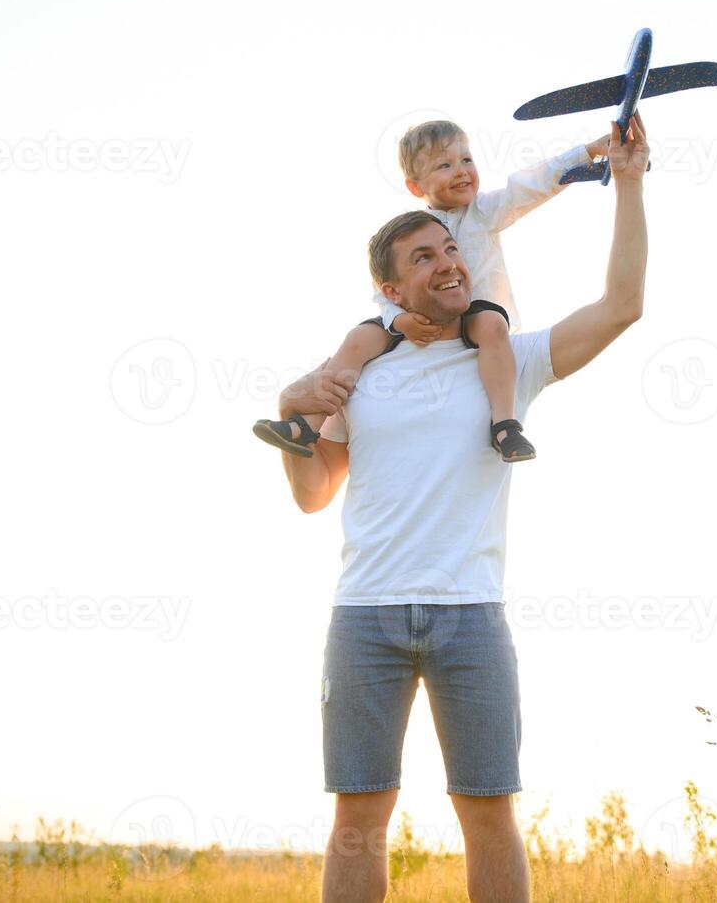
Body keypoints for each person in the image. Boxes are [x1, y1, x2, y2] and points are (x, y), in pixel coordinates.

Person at [273, 114, 650, 903]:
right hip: (364, 616)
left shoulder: (507, 362)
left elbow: (620, 305)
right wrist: (289, 418)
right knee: (357, 818)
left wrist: (626, 181)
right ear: (389, 287)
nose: (450, 263)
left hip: (471, 616)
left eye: (451, 250)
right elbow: (313, 495)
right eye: (425, 257)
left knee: (487, 813)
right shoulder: (359, 374)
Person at [255, 119, 608, 463]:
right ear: (415, 186)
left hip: (475, 311)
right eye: (444, 165)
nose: (461, 171)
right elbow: (384, 290)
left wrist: (587, 152)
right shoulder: (416, 232)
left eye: (466, 160)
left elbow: (531, 184)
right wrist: (400, 320)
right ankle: (305, 425)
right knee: (357, 341)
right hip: (417, 316)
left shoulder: (484, 211)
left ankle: (505, 424)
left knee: (492, 326)